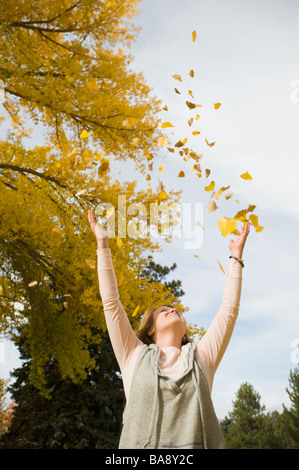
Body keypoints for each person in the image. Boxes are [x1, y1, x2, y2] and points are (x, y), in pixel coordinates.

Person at [88, 209, 250, 449]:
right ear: (151, 330)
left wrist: (236, 259)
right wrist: (103, 245)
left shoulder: (201, 358)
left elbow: (228, 311)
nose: (173, 310)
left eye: (177, 311)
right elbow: (111, 303)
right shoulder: (133, 355)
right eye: (164, 311)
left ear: (184, 332)